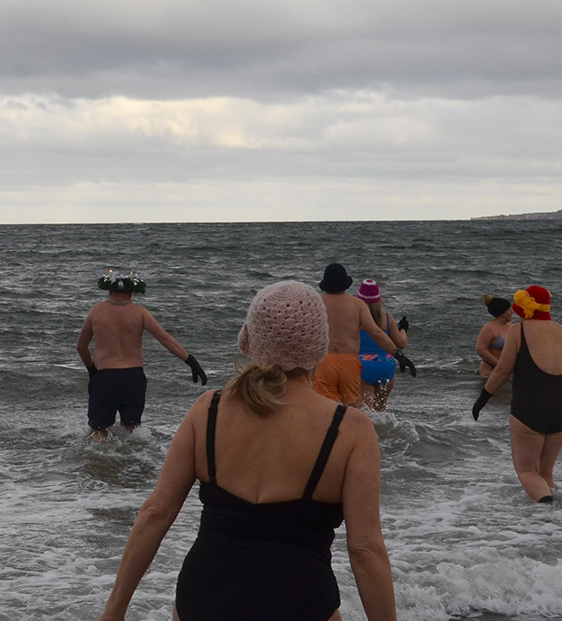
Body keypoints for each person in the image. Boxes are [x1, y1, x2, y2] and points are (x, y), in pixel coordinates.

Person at [92, 281, 396, 621]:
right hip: (301, 601)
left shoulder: (209, 409)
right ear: (319, 347)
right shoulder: (351, 429)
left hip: (203, 598)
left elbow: (156, 514)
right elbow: (365, 551)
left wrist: (114, 612)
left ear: (251, 340)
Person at [471, 286, 562, 503]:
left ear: (525, 309)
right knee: (545, 472)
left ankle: (547, 518)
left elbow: (502, 371)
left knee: (527, 471)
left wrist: (483, 398)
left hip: (530, 409)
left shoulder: (518, 331)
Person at [75, 271, 207, 442]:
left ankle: (100, 464)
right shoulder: (140, 312)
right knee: (132, 429)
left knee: (98, 430)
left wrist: (92, 371)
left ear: (109, 291)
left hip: (106, 376)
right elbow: (165, 338)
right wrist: (191, 361)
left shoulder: (96, 311)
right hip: (134, 377)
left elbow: (81, 346)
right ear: (131, 293)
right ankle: (136, 463)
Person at [312, 263, 412, 406]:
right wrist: (398, 355)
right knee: (357, 413)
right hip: (350, 363)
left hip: (326, 363)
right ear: (346, 284)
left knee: (325, 409)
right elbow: (376, 333)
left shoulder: (317, 304)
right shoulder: (357, 305)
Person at [355, 279, 409, 413]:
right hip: (386, 367)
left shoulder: (355, 318)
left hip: (363, 367)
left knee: (365, 412)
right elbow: (401, 344)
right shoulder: (387, 318)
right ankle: (385, 434)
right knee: (380, 410)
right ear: (379, 300)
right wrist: (403, 329)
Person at [475, 294, 515, 376]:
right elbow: (480, 349)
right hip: (490, 370)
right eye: (509, 310)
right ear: (501, 312)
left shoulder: (511, 326)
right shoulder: (489, 328)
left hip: (506, 370)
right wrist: (498, 365)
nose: (512, 312)